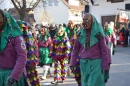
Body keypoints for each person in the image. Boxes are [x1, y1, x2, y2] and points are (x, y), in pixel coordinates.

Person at [70, 13, 109, 86]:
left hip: (96, 64)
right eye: (83, 20)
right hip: (84, 64)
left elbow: (104, 51)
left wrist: (105, 66)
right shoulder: (80, 34)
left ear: (92, 21)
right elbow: (75, 50)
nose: (84, 22)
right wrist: (72, 62)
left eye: (87, 20)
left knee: (94, 83)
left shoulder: (99, 34)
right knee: (86, 83)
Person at [0, 9, 29, 86]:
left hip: (13, 76)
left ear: (5, 19)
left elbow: (22, 56)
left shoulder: (15, 36)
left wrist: (14, 76)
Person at [16, 20, 40, 86]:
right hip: (21, 62)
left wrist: (30, 62)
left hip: (29, 62)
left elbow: (31, 51)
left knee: (32, 78)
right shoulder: (18, 37)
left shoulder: (28, 37)